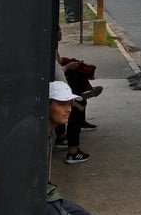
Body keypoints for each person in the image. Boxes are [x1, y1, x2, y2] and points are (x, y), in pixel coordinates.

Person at [52, 24, 101, 165]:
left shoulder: (51, 48)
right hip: (55, 89)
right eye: (59, 30)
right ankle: (73, 151)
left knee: (78, 75)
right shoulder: (49, 50)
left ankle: (84, 92)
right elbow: (59, 74)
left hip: (55, 86)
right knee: (77, 107)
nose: (61, 32)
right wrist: (73, 102)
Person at [46, 81, 92, 215]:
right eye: (61, 104)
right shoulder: (33, 134)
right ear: (47, 105)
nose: (68, 109)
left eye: (69, 104)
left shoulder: (48, 132)